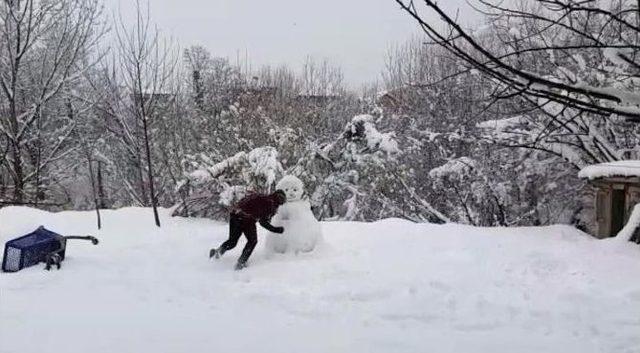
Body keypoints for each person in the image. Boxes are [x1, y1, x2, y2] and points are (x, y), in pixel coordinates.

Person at [210, 190, 287, 270]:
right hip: (246, 219)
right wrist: (276, 230)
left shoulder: (263, 197)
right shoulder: (270, 204)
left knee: (232, 241)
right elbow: (263, 222)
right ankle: (241, 263)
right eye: (282, 200)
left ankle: (216, 253)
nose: (282, 203)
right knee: (252, 241)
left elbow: (245, 202)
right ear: (279, 198)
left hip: (235, 215)